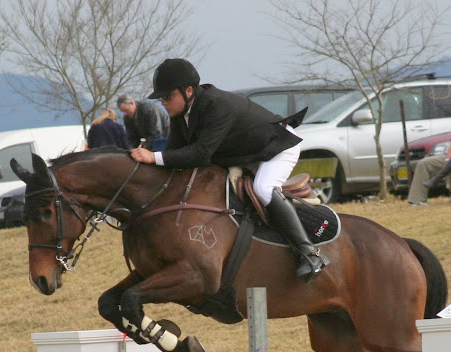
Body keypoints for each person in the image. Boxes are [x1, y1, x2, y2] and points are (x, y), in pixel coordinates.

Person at [130, 58, 326, 281]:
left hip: (276, 146)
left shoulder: (216, 105)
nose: (163, 102)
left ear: (188, 91)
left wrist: (153, 157)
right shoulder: (180, 114)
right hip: (246, 152)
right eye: (161, 98)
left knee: (263, 188)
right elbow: (175, 154)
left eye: (167, 96)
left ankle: (310, 253)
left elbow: (200, 155)